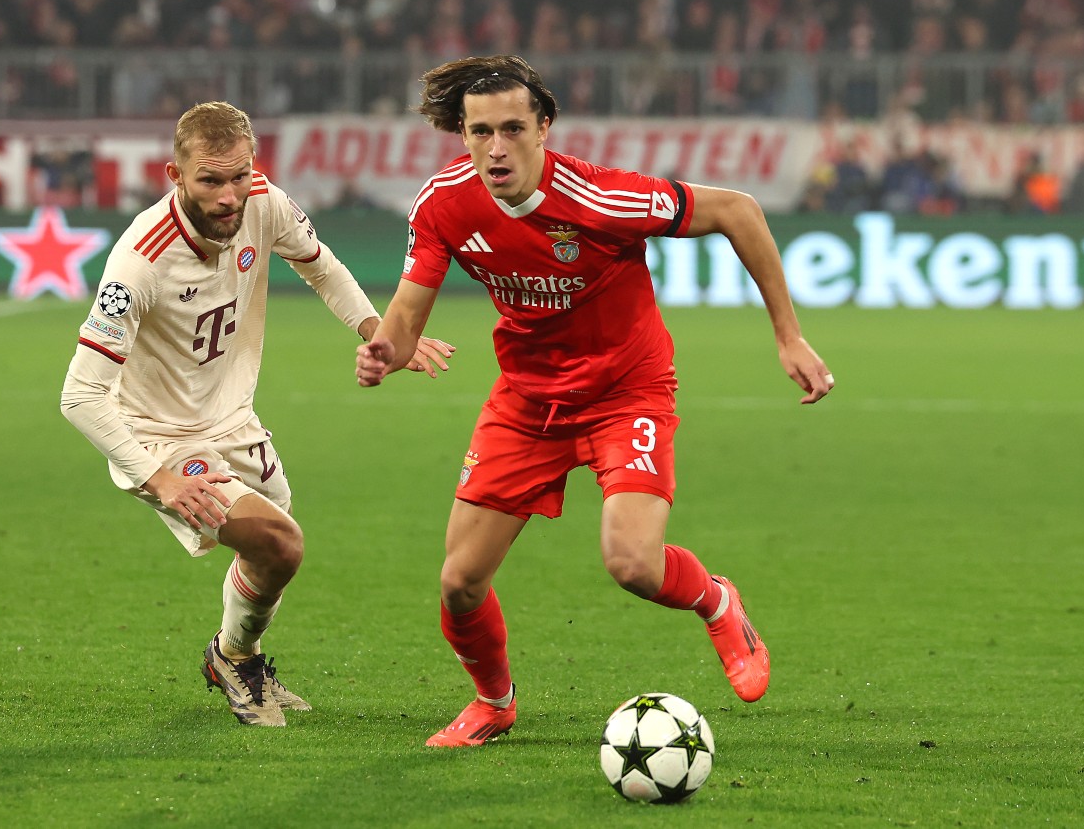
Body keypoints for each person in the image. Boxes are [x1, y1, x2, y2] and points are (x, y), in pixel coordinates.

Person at [355, 55, 834, 748]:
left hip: (624, 391)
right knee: (459, 581)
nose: (497, 147)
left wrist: (789, 336)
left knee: (632, 562)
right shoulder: (441, 205)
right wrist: (384, 351)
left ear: (544, 127)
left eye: (513, 128)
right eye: (480, 130)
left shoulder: (602, 197)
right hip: (527, 399)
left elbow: (739, 210)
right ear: (461, 134)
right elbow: (401, 328)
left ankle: (717, 599)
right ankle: (494, 701)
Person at [60, 101, 454, 727]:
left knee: (268, 554)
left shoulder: (264, 202)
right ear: (175, 175)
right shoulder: (138, 263)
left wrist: (378, 330)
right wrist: (156, 478)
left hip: (234, 420)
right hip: (159, 439)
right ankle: (236, 659)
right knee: (281, 543)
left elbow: (320, 266)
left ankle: (233, 656)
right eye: (210, 180)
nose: (228, 196)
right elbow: (80, 395)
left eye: (239, 176)